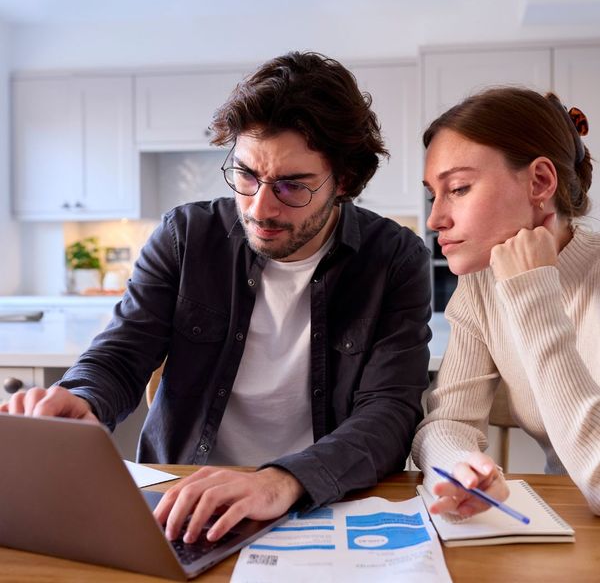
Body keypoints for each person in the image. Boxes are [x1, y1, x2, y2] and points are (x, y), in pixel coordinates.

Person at [1, 52, 432, 542]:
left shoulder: (394, 259)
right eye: (246, 175)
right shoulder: (185, 236)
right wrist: (83, 398)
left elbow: (390, 412)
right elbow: (122, 353)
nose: (259, 207)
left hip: (317, 503)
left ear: (345, 182)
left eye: (293, 186)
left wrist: (282, 480)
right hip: (181, 499)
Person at [411, 85, 600, 519]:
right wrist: (460, 468)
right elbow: (447, 422)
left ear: (539, 182)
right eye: (432, 195)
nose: (436, 219)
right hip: (567, 525)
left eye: (457, 188)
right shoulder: (481, 287)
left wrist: (534, 290)